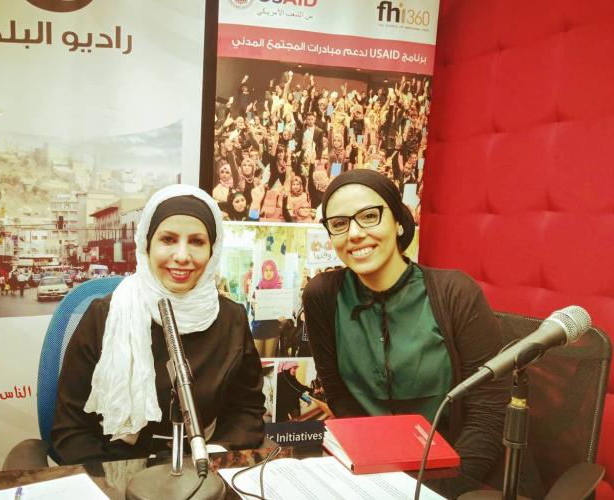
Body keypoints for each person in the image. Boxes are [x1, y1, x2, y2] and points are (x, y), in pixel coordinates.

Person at [302, 169, 542, 496]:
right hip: (376, 476)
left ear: (398, 222)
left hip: (461, 478)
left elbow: (489, 411)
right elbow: (339, 394)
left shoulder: (455, 293)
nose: (354, 233)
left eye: (369, 216)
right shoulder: (322, 296)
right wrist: (374, 474)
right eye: (339, 223)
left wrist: (434, 491)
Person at [51, 185, 266, 464]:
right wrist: (118, 479)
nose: (182, 256)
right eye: (168, 239)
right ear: (147, 245)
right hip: (117, 467)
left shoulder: (231, 319)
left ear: (212, 250)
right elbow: (72, 431)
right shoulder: (103, 316)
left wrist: (216, 455)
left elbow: (246, 410)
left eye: (197, 241)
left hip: (200, 465)